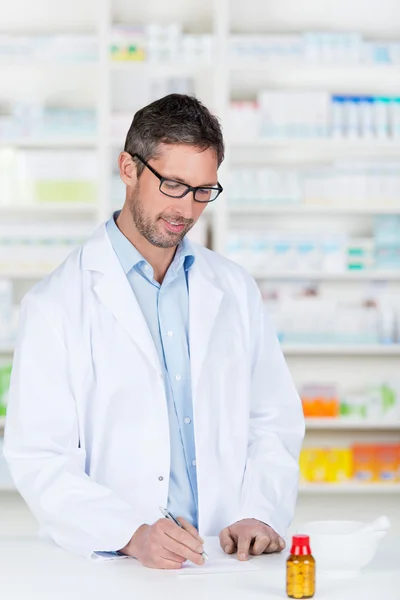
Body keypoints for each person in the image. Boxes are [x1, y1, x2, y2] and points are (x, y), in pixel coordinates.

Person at [4, 94, 304, 569]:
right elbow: (38, 456)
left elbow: (273, 419)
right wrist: (130, 535)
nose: (186, 209)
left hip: (224, 557)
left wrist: (260, 513)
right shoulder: (55, 304)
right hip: (118, 565)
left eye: (204, 190)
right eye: (173, 185)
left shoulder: (233, 288)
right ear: (128, 168)